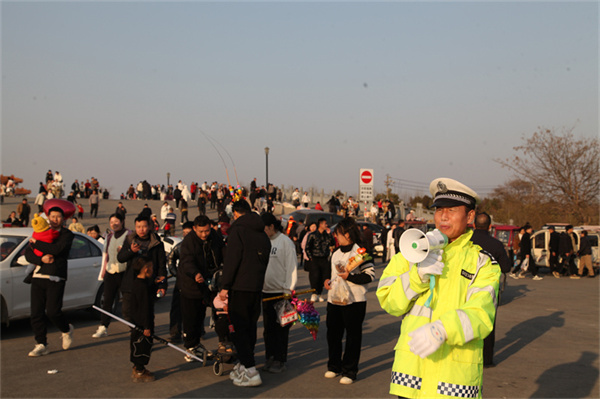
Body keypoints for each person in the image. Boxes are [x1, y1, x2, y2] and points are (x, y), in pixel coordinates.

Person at [377, 177, 500, 398]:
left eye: (452, 210)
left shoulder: (483, 263)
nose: (443, 216)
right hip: (411, 377)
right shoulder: (411, 253)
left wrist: (442, 329)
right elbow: (388, 301)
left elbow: (482, 314)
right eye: (439, 209)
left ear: (470, 216)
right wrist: (417, 276)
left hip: (454, 383)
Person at [218, 200, 271, 387]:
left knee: (238, 329)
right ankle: (243, 364)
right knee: (250, 327)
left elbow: (232, 261)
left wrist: (225, 286)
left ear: (235, 214)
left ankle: (250, 369)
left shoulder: (238, 231)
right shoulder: (262, 234)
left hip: (239, 287)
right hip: (256, 287)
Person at [323, 218, 375, 385]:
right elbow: (331, 274)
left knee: (353, 337)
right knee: (333, 334)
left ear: (346, 233)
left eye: (338, 233)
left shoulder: (361, 252)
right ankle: (334, 366)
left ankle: (350, 371)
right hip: (334, 300)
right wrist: (327, 281)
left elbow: (369, 275)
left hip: (355, 300)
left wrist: (350, 277)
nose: (335, 236)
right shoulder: (335, 252)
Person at [24, 206, 75, 357]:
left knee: (53, 311)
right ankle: (41, 344)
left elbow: (57, 249)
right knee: (36, 313)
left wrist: (36, 243)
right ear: (48, 217)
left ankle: (66, 330)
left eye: (58, 217)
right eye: (52, 216)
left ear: (63, 219)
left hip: (56, 276)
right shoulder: (40, 232)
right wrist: (41, 258)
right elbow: (28, 253)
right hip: (38, 276)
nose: (55, 220)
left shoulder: (67, 234)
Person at [178, 216, 224, 362]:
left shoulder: (215, 237)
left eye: (207, 231)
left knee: (201, 315)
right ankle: (190, 347)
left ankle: (199, 344)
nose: (204, 234)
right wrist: (195, 274)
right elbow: (186, 262)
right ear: (194, 229)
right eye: (201, 231)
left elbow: (224, 253)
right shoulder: (189, 242)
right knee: (191, 317)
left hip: (209, 284)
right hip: (190, 285)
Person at [470, 212, 511, 368]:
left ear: (473, 225)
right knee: (487, 323)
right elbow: (506, 267)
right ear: (489, 226)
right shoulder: (496, 244)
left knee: (463, 321)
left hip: (464, 287)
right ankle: (486, 360)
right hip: (488, 290)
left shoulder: (466, 242)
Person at [261, 213, 298, 374]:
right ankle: (270, 356)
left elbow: (291, 268)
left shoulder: (285, 242)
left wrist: (288, 290)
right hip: (266, 292)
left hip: (282, 294)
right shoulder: (263, 241)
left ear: (271, 227)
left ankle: (280, 359)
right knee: (268, 329)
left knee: (281, 329)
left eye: (264, 228)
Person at [117, 216, 167, 322]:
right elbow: (120, 258)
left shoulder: (156, 243)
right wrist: (131, 251)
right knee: (127, 311)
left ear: (149, 226)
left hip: (148, 283)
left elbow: (161, 265)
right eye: (138, 227)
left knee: (146, 311)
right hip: (130, 283)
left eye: (144, 226)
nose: (141, 229)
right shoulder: (130, 240)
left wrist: (162, 285)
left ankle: (145, 332)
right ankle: (136, 330)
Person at [93, 213, 130, 338]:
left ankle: (133, 325)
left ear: (122, 221)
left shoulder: (129, 235)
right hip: (110, 272)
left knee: (128, 301)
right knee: (107, 300)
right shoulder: (109, 236)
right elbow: (105, 255)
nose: (114, 224)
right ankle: (103, 326)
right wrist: (102, 273)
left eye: (116, 221)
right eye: (111, 222)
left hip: (124, 272)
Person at [129, 256, 156, 382]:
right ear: (145, 269)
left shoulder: (140, 283)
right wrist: (146, 326)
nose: (152, 269)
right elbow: (144, 308)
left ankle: (139, 368)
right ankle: (139, 371)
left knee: (143, 345)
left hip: (139, 321)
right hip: (142, 323)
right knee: (142, 346)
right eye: (150, 267)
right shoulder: (141, 287)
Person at [167, 222, 194, 343]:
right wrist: (176, 273)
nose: (186, 235)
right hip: (181, 281)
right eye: (184, 233)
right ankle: (175, 332)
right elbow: (170, 260)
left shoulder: (199, 245)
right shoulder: (180, 246)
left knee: (196, 309)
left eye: (188, 233)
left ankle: (196, 332)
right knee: (176, 308)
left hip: (196, 282)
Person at [305, 218, 335, 302]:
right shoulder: (312, 235)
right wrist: (310, 257)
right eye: (325, 224)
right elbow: (307, 247)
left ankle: (319, 293)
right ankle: (314, 293)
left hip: (324, 258)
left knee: (324, 276)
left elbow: (332, 243)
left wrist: (330, 235)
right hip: (315, 258)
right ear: (320, 224)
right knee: (315, 276)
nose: (326, 225)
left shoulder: (327, 235)